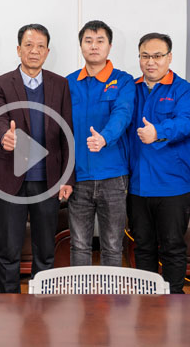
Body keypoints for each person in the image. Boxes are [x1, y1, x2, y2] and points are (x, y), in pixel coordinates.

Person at [0, 23, 74, 293]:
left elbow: (67, 133)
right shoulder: (0, 83)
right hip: (11, 179)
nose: (34, 51)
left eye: (40, 46)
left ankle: (42, 302)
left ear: (47, 52)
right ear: (18, 50)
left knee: (45, 250)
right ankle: (7, 305)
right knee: (9, 249)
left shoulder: (60, 84)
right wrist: (4, 136)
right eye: (28, 45)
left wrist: (68, 177)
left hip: (49, 180)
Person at [127, 33, 190, 293]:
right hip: (138, 186)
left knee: (172, 247)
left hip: (173, 186)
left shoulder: (183, 90)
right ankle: (147, 301)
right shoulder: (130, 89)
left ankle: (174, 300)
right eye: (145, 56)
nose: (151, 62)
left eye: (157, 56)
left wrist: (158, 131)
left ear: (169, 58)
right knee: (143, 246)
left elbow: (188, 122)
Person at [66, 20, 134, 267]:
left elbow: (122, 114)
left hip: (113, 177)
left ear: (109, 46)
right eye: (88, 41)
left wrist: (104, 137)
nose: (94, 46)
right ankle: (80, 292)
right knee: (79, 245)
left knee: (113, 246)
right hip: (79, 177)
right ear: (81, 46)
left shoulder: (123, 81)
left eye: (100, 41)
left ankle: (111, 293)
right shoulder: (68, 83)